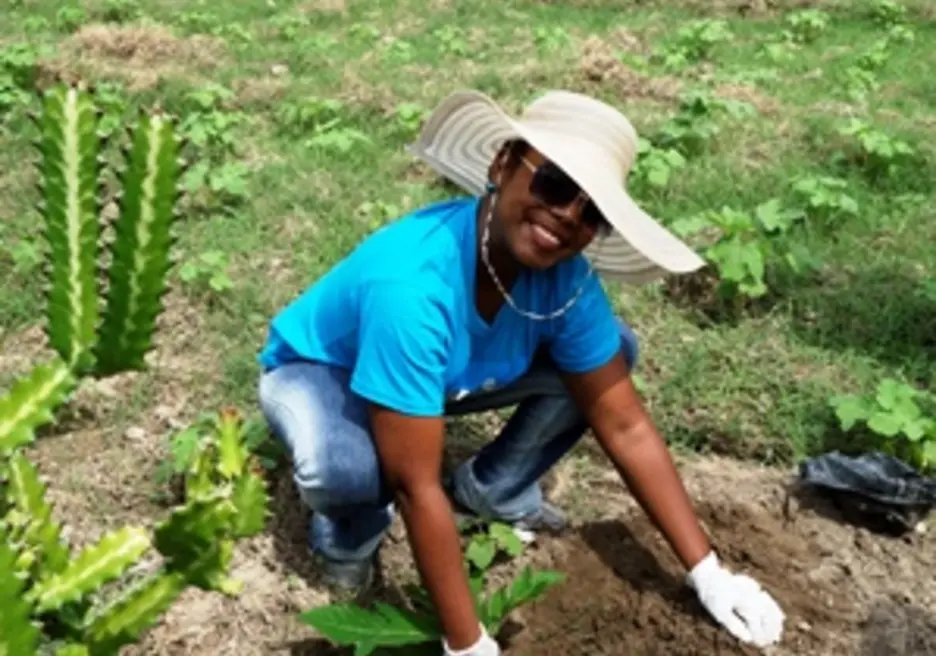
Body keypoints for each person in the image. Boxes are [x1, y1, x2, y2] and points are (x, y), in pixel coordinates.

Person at [257, 89, 785, 655]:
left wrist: (709, 573)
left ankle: (492, 489)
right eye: (555, 184)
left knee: (611, 356)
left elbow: (625, 424)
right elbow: (417, 484)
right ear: (503, 165)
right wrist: (467, 642)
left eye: (593, 212)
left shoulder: (567, 281)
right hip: (323, 372)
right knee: (349, 469)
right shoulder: (412, 284)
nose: (566, 216)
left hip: (438, 378)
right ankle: (347, 534)